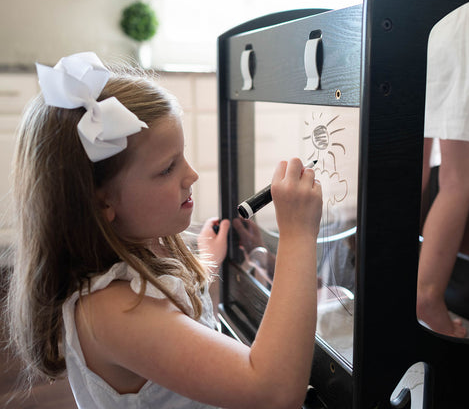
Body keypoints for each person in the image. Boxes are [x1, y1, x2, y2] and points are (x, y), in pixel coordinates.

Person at [4, 52, 323, 408]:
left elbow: (185, 335)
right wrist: (298, 234)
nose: (191, 174)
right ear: (103, 203)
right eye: (167, 168)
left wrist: (205, 266)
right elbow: (274, 393)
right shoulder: (110, 313)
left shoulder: (147, 250)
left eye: (182, 156)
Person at [405, 0, 469, 337]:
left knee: (408, 169)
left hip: (426, 36)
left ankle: (383, 280)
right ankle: (427, 298)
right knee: (459, 181)